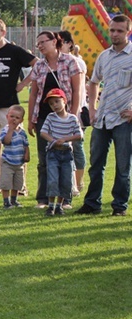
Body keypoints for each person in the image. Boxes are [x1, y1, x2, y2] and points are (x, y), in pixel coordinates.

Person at [77, 15, 132, 216]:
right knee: (96, 164)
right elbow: (93, 82)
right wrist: (92, 108)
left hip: (124, 119)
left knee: (123, 166)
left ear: (128, 32)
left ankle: (119, 206)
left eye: (119, 31)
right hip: (102, 118)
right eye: (112, 30)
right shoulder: (104, 56)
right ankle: (92, 203)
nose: (115, 34)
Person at [0, 18, 36, 195]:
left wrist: (23, 84)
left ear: (3, 32)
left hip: (10, 106)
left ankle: (21, 185)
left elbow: (37, 64)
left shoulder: (14, 51)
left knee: (16, 145)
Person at [26, 31, 82, 209]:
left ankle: (65, 199)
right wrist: (31, 119)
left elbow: (77, 91)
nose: (40, 46)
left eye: (43, 42)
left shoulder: (70, 61)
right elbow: (34, 93)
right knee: (45, 159)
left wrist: (72, 117)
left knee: (66, 159)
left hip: (65, 118)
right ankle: (43, 198)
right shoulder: (39, 65)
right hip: (44, 118)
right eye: (38, 43)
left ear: (54, 42)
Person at [40, 88, 83, 216]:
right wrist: (53, 140)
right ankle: (51, 206)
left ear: (64, 101)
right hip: (53, 153)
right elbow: (43, 132)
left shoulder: (72, 118)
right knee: (53, 179)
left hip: (67, 154)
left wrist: (65, 139)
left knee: (66, 180)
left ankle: (60, 205)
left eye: (57, 102)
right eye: (51, 104)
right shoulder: (50, 117)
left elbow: (79, 135)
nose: (55, 106)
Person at [57, 30, 88, 196]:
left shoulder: (77, 62)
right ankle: (69, 182)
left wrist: (76, 111)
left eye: (60, 42)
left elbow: (80, 89)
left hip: (77, 110)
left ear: (69, 44)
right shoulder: (54, 62)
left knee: (76, 146)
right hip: (61, 109)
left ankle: (78, 181)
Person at [0, 104, 31, 208]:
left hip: (19, 162)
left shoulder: (22, 133)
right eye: (12, 116)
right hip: (7, 161)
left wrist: (27, 155)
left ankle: (14, 200)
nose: (14, 119)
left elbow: (26, 145)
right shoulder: (5, 130)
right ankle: (6, 201)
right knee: (6, 183)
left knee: (17, 183)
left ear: (21, 120)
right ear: (7, 117)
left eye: (17, 118)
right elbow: (6, 141)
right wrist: (11, 130)